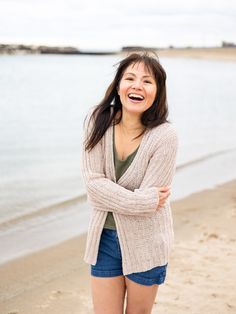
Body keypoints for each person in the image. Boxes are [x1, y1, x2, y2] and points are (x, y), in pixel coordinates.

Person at [81, 51, 178, 314]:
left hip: (147, 242)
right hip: (104, 239)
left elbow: (149, 204)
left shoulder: (165, 136)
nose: (137, 86)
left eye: (147, 81)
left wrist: (110, 194)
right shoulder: (97, 120)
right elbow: (93, 185)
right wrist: (142, 200)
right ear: (119, 85)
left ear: (157, 91)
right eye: (130, 78)